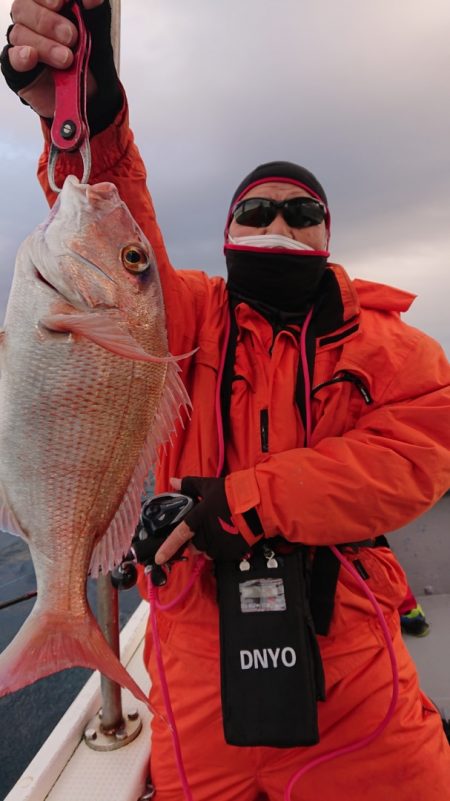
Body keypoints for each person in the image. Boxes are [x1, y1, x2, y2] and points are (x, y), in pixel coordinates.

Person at [2, 3, 450, 800]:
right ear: (227, 229)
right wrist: (86, 111)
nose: (279, 221)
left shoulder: (398, 348)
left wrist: (240, 502)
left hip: (348, 659)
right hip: (195, 665)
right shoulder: (183, 317)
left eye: (301, 212)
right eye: (256, 209)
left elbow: (410, 459)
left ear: (326, 235)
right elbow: (115, 235)